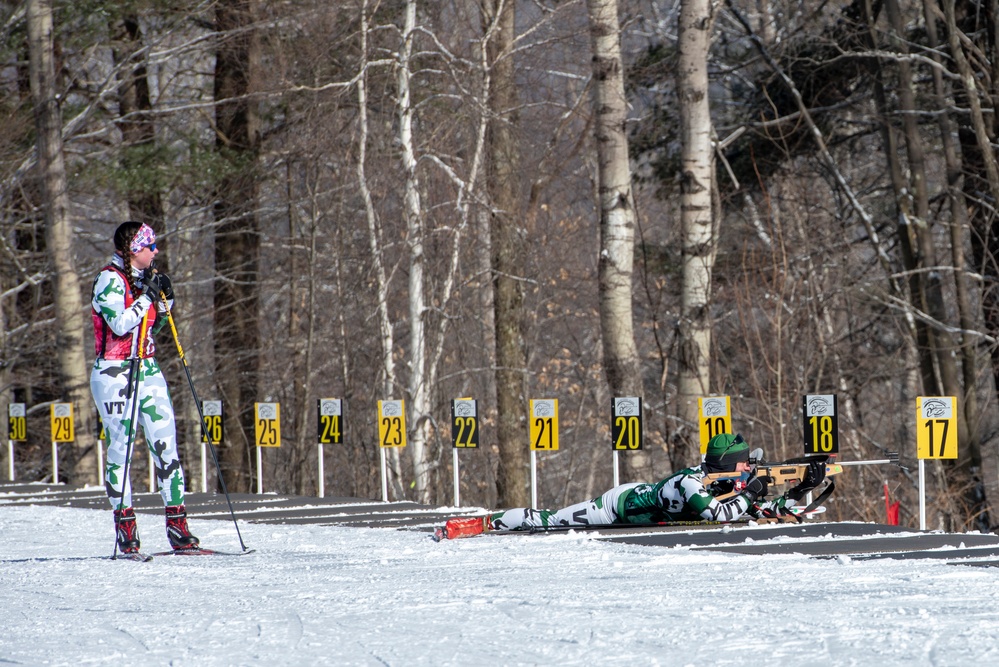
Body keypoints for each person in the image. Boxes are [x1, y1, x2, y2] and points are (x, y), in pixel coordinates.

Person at [434, 433, 826, 540]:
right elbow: (720, 513)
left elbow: (758, 513)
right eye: (743, 464)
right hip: (617, 506)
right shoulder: (691, 483)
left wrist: (797, 490)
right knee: (549, 519)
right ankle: (482, 524)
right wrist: (755, 489)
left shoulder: (722, 482)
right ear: (726, 466)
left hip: (645, 500)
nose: (749, 469)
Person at [90, 221, 199, 553]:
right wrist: (147, 297)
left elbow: (153, 328)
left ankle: (178, 527)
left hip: (148, 368)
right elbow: (120, 324)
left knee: (166, 446)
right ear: (134, 250)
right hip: (114, 372)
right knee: (122, 447)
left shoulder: (144, 279)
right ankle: (126, 528)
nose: (156, 251)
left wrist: (165, 302)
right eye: (150, 246)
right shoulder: (110, 279)